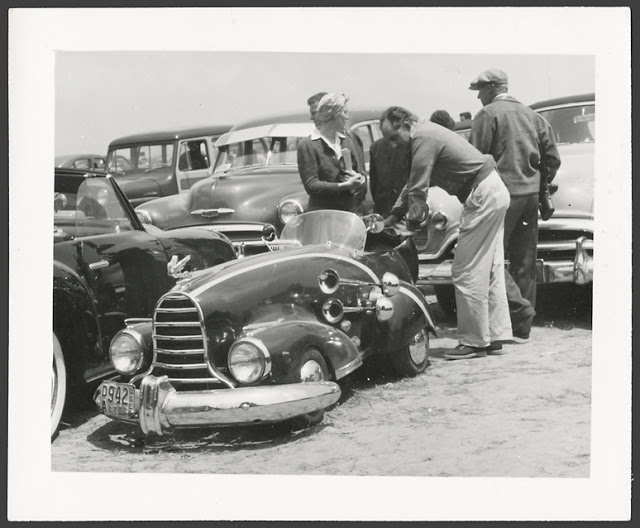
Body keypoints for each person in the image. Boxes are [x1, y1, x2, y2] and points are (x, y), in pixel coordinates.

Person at [380, 106, 512, 360]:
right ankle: (494, 336)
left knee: (465, 269)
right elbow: (413, 183)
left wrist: (412, 221)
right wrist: (394, 216)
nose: (394, 145)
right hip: (493, 189)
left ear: (405, 125)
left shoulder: (423, 138)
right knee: (490, 269)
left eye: (394, 138)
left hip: (483, 194)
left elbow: (418, 186)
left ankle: (474, 342)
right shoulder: (428, 134)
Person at [468, 68, 561, 340]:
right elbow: (553, 159)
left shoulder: (487, 115)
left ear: (491, 88)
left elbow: (475, 158)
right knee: (524, 261)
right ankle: (522, 326)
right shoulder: (533, 115)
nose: (478, 98)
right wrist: (540, 183)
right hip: (531, 195)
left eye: (480, 91)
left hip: (501, 196)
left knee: (490, 258)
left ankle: (519, 313)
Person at [297, 93, 367, 212]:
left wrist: (360, 179)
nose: (347, 117)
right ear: (333, 114)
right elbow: (311, 185)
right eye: (344, 112)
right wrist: (344, 186)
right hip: (323, 215)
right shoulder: (308, 145)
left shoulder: (347, 141)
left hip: (348, 213)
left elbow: (360, 174)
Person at [368, 111, 412, 216]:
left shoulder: (413, 146)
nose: (393, 145)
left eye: (394, 137)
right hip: (384, 211)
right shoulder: (375, 148)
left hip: (405, 210)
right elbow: (374, 184)